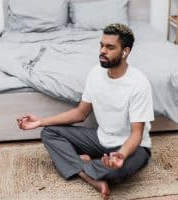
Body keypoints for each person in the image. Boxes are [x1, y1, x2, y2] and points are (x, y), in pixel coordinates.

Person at [17, 23, 154, 200]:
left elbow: (137, 135)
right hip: (101, 138)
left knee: (114, 173)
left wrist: (120, 155)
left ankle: (80, 165)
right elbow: (81, 113)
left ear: (125, 51)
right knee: (49, 132)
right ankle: (88, 175)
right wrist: (41, 121)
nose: (102, 51)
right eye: (101, 45)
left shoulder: (139, 84)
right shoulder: (95, 74)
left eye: (110, 47)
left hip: (133, 147)